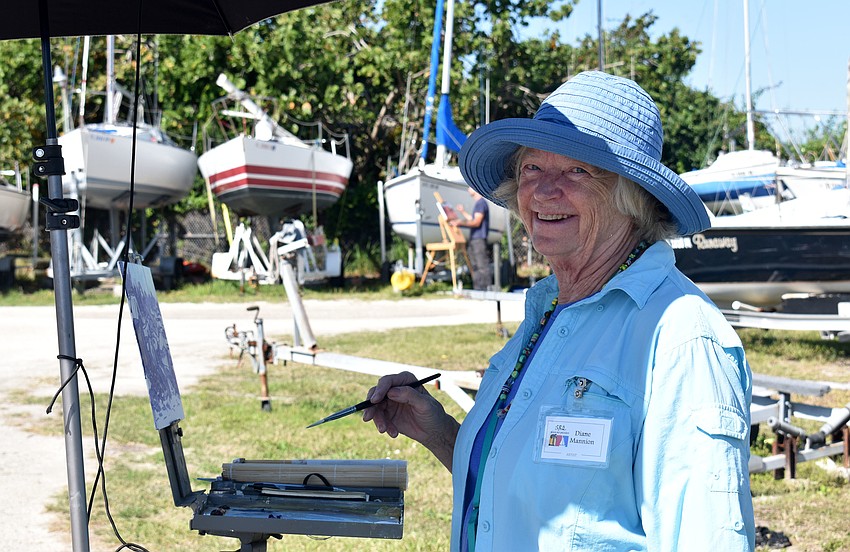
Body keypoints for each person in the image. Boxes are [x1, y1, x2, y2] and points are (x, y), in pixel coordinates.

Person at [363, 71, 755, 551]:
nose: (544, 192)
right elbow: (543, 493)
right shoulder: (549, 310)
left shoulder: (680, 336)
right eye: (532, 169)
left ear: (632, 198)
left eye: (577, 171)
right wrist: (442, 432)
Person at [451, 187, 491, 290]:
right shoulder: (479, 203)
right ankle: (478, 290)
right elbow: (472, 219)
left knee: (481, 265)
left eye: (470, 186)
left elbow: (476, 222)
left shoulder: (481, 203)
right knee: (475, 266)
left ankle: (485, 290)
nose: (468, 188)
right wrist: (463, 212)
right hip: (475, 239)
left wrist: (460, 222)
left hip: (479, 239)